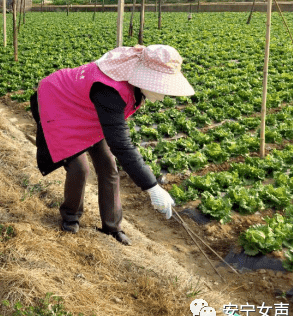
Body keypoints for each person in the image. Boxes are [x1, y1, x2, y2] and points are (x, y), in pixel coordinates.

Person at [30, 44, 194, 245]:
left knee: (109, 166)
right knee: (79, 168)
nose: (164, 94)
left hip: (86, 111)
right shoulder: (110, 92)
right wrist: (152, 187)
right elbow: (121, 145)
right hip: (57, 102)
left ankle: (112, 227)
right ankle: (70, 218)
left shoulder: (131, 77)